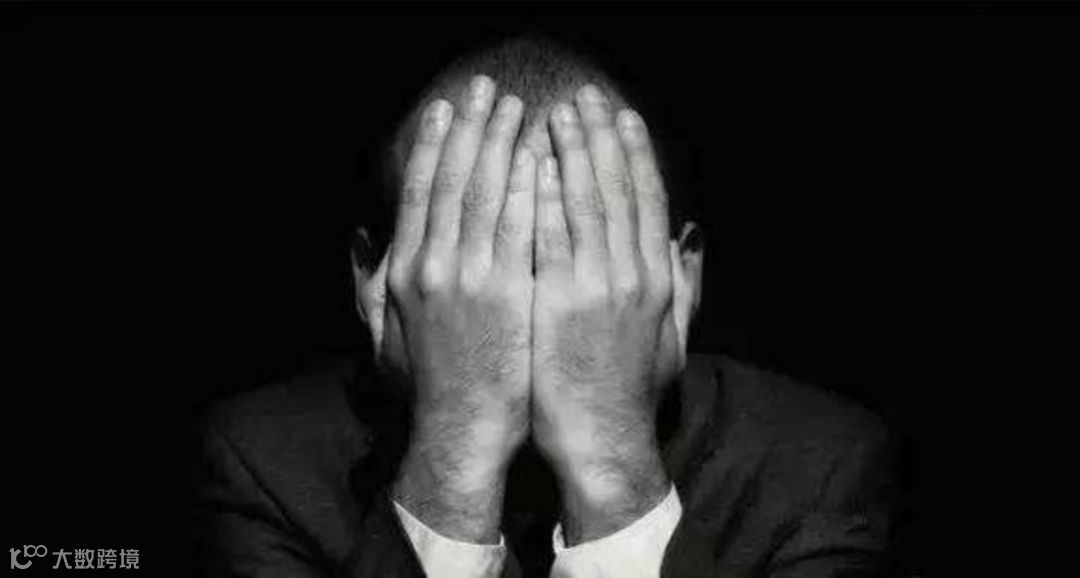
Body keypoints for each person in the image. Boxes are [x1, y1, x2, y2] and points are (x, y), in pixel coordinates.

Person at [193, 38, 897, 578]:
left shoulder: (817, 467)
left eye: (581, 264)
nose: (523, 316)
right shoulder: (263, 465)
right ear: (372, 278)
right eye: (473, 270)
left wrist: (613, 467)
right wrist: (456, 449)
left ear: (681, 277)